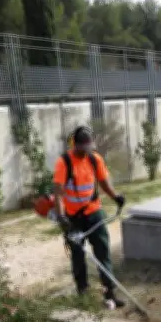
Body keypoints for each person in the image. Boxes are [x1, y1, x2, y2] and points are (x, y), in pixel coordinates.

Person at [53, 125, 126, 308]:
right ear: (75, 145)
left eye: (89, 146)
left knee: (103, 252)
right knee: (78, 256)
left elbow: (103, 181)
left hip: (94, 213)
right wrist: (62, 217)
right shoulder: (64, 163)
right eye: (83, 147)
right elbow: (59, 194)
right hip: (73, 219)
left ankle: (109, 293)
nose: (87, 150)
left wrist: (115, 196)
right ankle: (83, 294)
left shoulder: (95, 159)